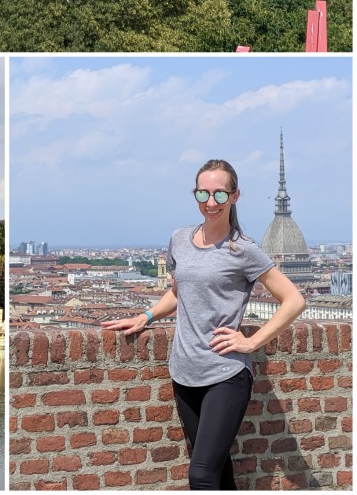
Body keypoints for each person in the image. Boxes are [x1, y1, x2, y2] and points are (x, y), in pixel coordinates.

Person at [102, 159, 306, 491]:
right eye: (203, 193)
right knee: (217, 470)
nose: (211, 203)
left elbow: (294, 300)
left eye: (220, 195)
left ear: (235, 196)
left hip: (225, 375)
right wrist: (147, 316)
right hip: (184, 372)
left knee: (200, 474)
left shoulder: (244, 250)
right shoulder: (179, 239)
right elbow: (179, 292)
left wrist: (252, 343)